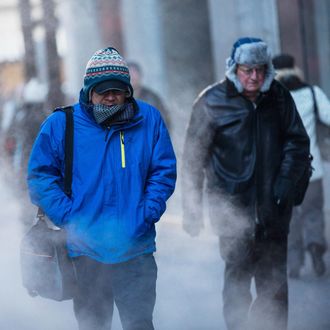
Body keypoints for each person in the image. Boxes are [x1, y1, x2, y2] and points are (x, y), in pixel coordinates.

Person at [27, 47, 177, 330]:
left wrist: (146, 212)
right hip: (86, 253)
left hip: (136, 249)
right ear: (88, 91)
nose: (110, 97)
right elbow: (40, 176)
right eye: (102, 90)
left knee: (140, 324)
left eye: (117, 90)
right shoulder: (62, 124)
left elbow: (163, 171)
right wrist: (71, 217)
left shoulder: (149, 119)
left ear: (128, 90)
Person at [182, 37, 310, 330]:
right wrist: (192, 210)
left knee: (274, 288)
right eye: (246, 69)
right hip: (231, 213)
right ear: (233, 68)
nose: (254, 77)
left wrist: (286, 179)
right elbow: (193, 159)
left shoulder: (279, 96)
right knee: (237, 285)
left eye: (260, 70)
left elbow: (297, 141)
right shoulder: (211, 101)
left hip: (274, 210)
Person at [273, 54, 330, 278]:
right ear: (295, 69)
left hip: (282, 171)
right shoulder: (313, 92)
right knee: (313, 212)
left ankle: (294, 262)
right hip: (312, 168)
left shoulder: (270, 98)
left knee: (289, 216)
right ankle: (315, 246)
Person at [127, 61, 171, 130]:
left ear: (140, 76)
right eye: (129, 73)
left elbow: (164, 120)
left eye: (134, 73)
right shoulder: (118, 98)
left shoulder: (152, 97)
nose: (132, 77)